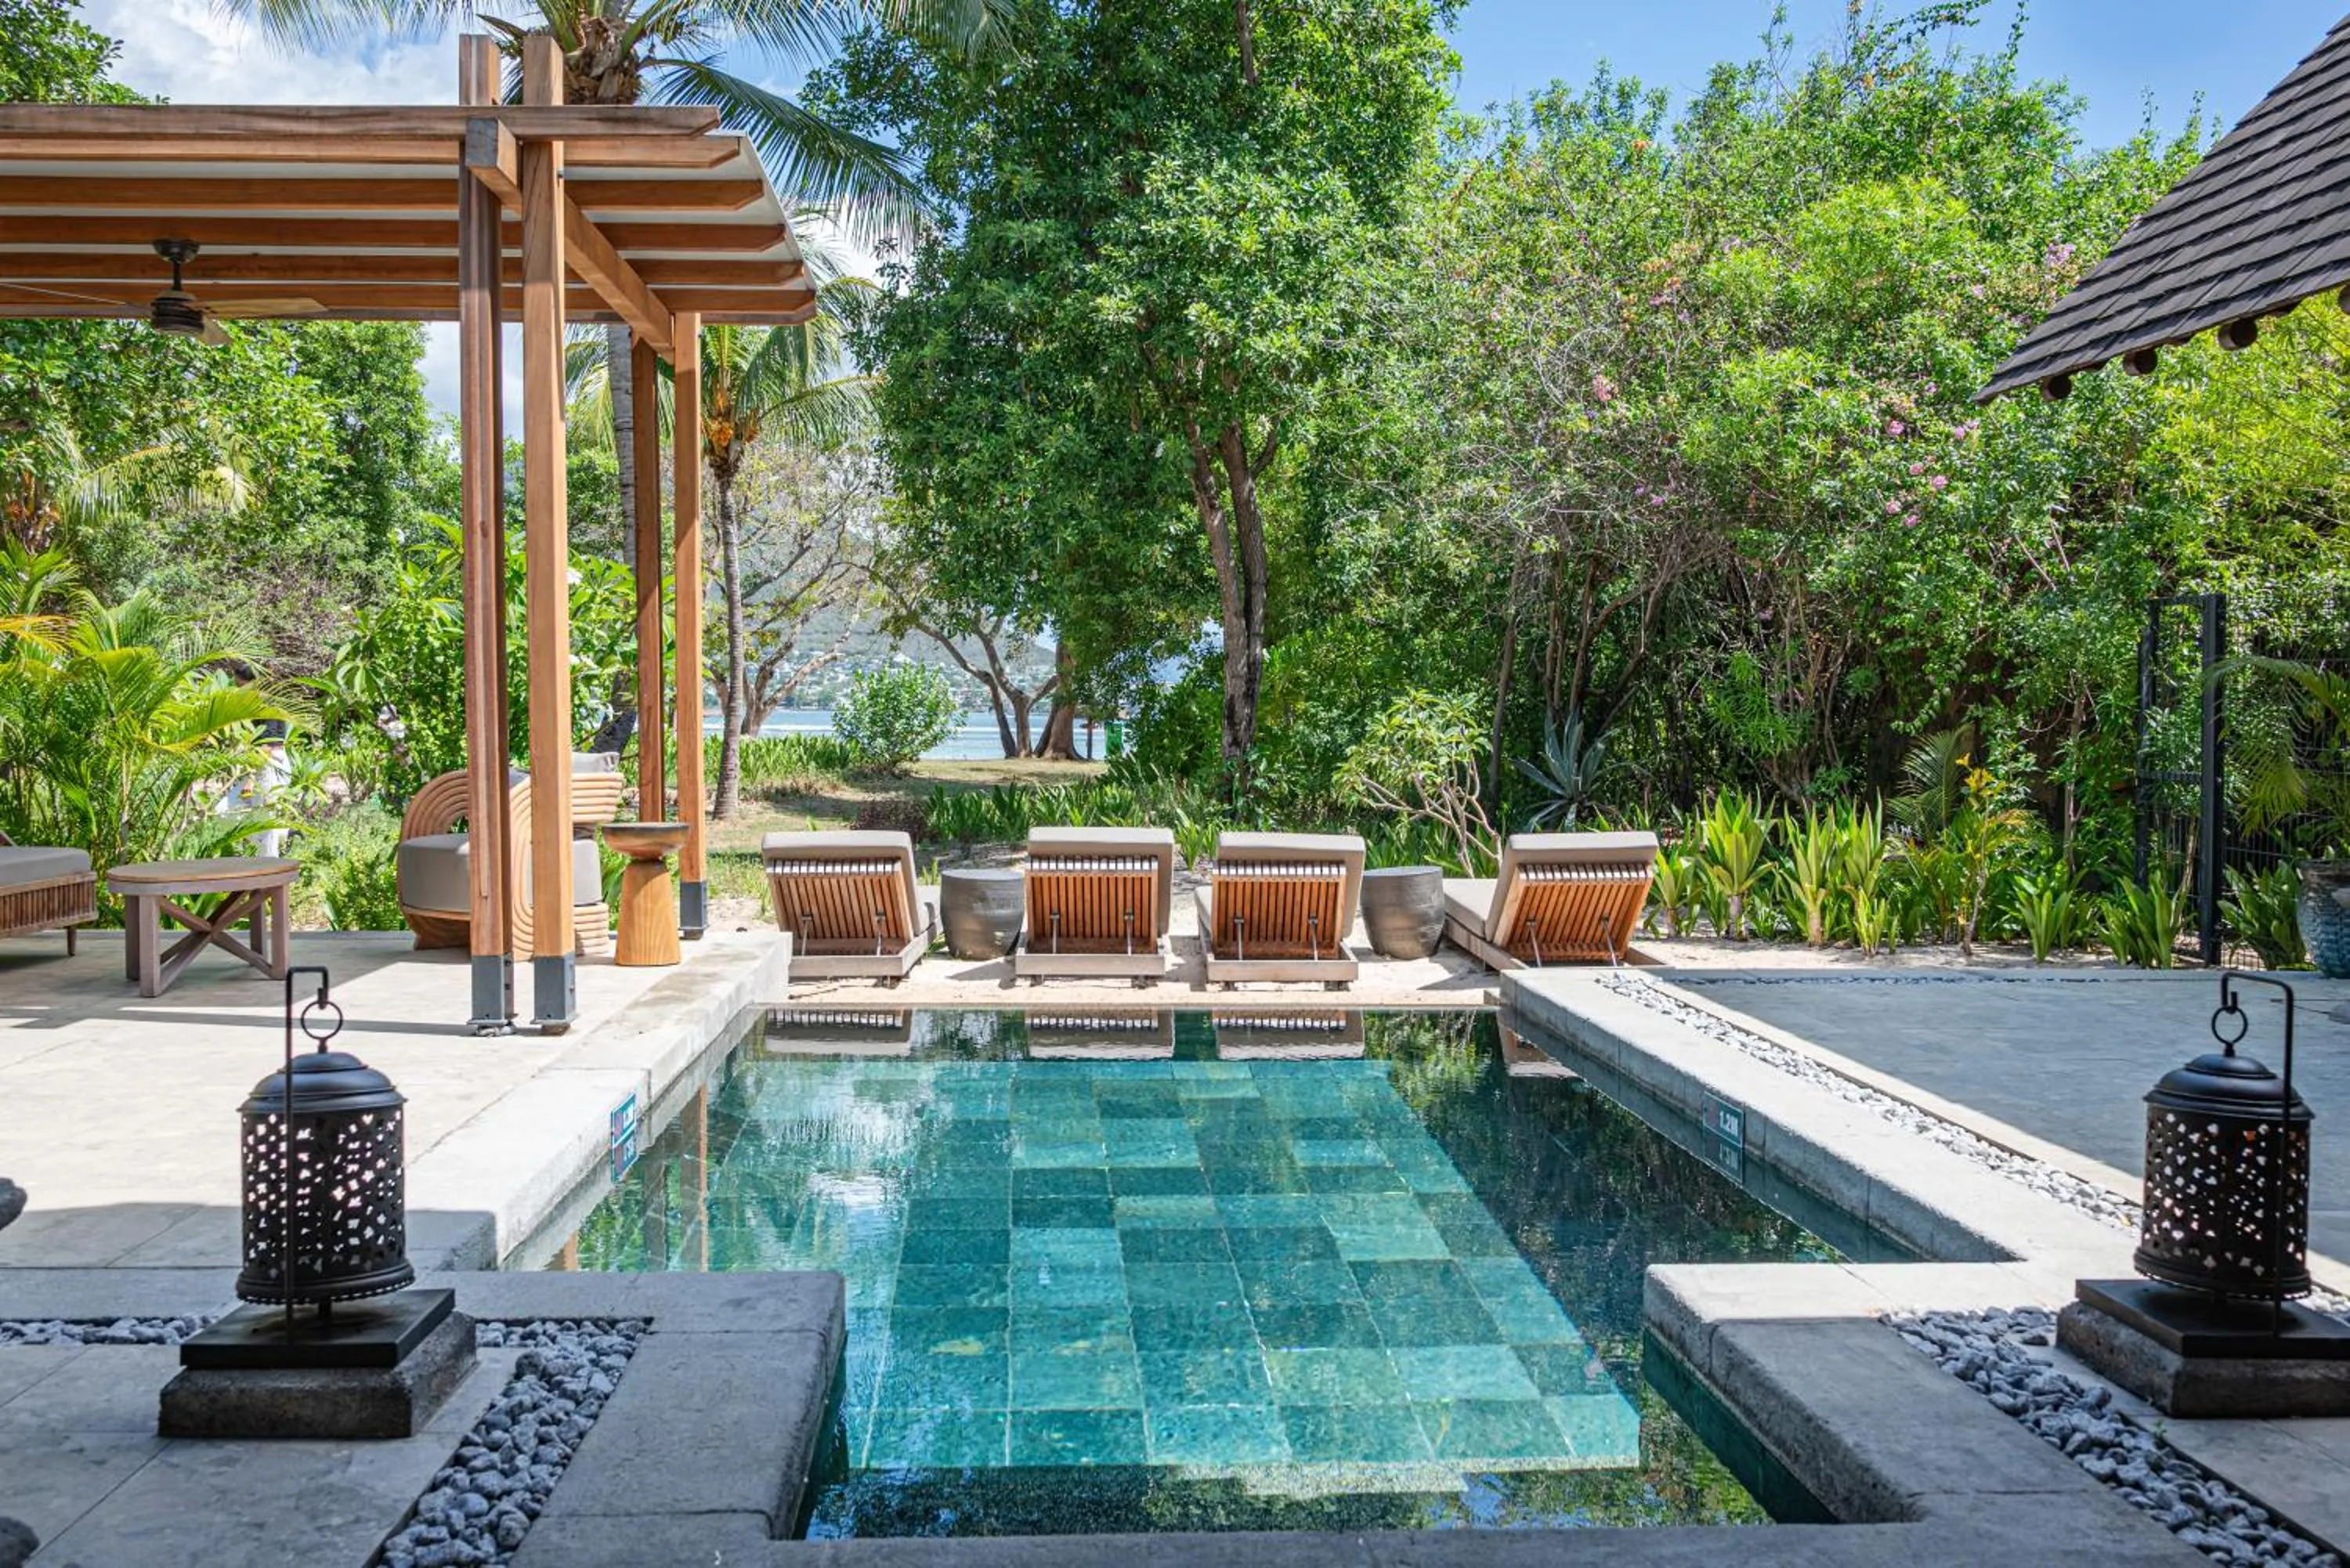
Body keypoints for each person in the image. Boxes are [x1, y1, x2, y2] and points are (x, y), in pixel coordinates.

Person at [220, 660, 291, 858]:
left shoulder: (267, 704)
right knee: (223, 812)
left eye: (241, 686)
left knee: (264, 823)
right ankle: (286, 833)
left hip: (270, 764)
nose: (238, 690)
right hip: (256, 764)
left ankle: (269, 876)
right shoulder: (252, 705)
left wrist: (251, 778)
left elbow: (267, 744)